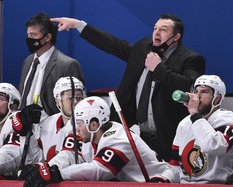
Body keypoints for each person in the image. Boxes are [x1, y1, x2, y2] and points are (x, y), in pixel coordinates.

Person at [50, 14, 206, 161]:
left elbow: (189, 86)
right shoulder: (144, 48)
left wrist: (158, 68)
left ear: (176, 37)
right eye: (155, 28)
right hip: (139, 136)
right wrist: (79, 25)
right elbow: (113, 44)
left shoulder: (191, 59)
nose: (156, 33)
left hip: (171, 136)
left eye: (163, 30)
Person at [19, 96, 178, 187]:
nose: (76, 129)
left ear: (94, 124)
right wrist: (45, 167)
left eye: (80, 123)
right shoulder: (88, 135)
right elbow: (68, 155)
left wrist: (57, 173)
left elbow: (98, 171)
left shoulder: (119, 139)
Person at [166, 75, 233, 183]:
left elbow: (214, 146)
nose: (197, 96)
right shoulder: (184, 124)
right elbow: (176, 166)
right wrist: (164, 178)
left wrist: (194, 113)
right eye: (196, 91)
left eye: (204, 92)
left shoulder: (228, 119)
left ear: (217, 98)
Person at [19, 12, 85, 121]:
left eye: (34, 35)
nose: (29, 38)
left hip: (53, 130)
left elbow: (78, 104)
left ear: (48, 37)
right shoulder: (28, 61)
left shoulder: (68, 65)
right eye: (28, 35)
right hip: (26, 128)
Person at [39, 76, 86, 162]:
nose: (75, 101)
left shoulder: (86, 125)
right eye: (71, 98)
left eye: (78, 98)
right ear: (58, 101)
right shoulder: (47, 123)